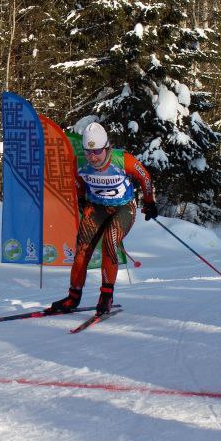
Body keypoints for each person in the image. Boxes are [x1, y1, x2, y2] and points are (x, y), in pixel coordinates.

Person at [48, 122, 155, 316]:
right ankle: (73, 297)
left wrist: (150, 202)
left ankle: (106, 296)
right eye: (88, 152)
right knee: (82, 249)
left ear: (106, 148)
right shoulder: (81, 162)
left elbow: (145, 177)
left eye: (97, 151)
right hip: (96, 207)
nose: (93, 157)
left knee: (110, 242)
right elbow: (78, 181)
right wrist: (81, 199)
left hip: (123, 208)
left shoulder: (123, 160)